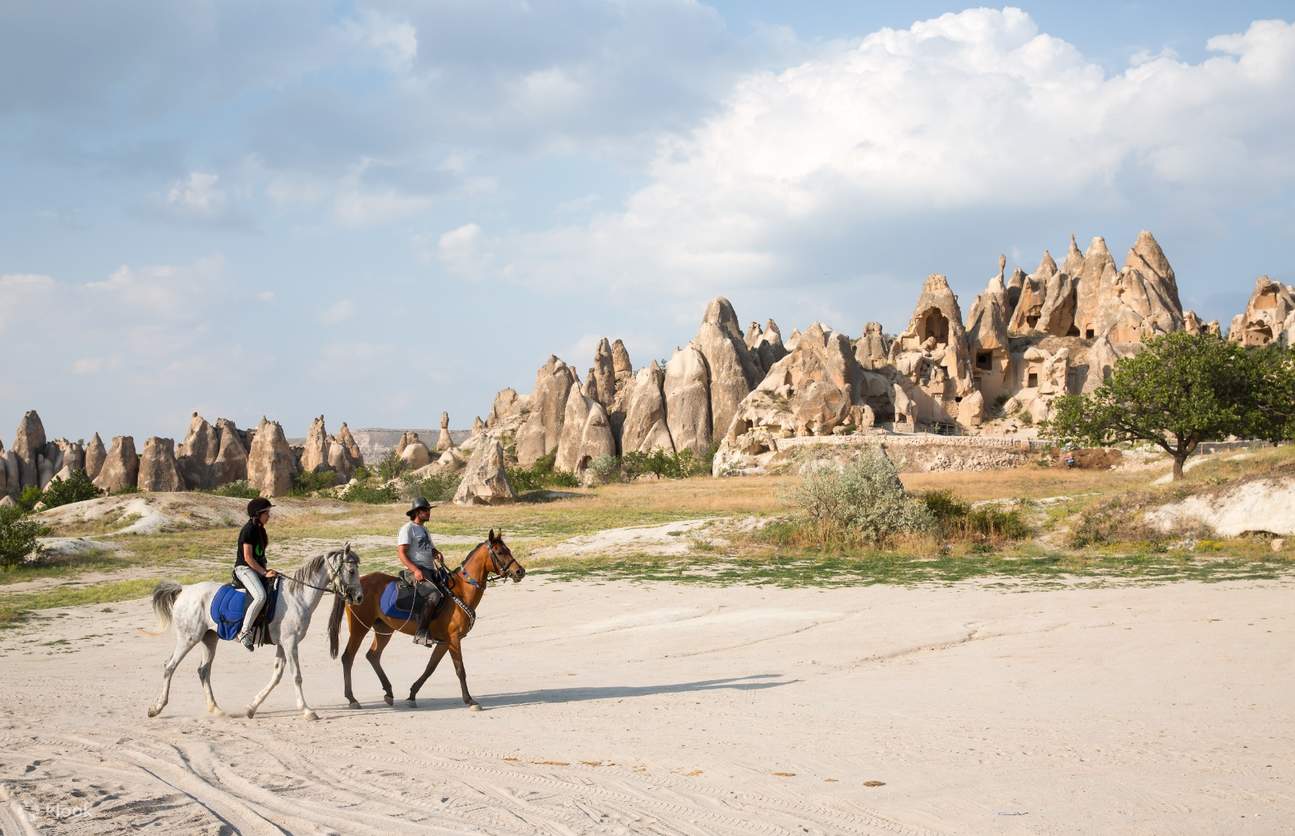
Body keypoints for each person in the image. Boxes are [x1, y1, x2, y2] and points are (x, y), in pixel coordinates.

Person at [398, 497, 448, 646]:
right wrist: (415, 570)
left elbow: (429, 548)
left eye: (429, 510)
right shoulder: (408, 529)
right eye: (426, 510)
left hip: (430, 569)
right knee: (434, 595)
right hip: (416, 571)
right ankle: (420, 633)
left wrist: (436, 553)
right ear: (417, 512)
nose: (428, 513)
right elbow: (401, 553)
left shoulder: (424, 529)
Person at [234, 497, 277, 651]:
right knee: (260, 596)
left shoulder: (260, 529)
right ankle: (244, 632)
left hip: (256, 568)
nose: (269, 516)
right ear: (258, 514)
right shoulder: (249, 530)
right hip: (244, 569)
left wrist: (267, 570)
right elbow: (248, 557)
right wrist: (264, 573)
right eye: (267, 512)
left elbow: (259, 556)